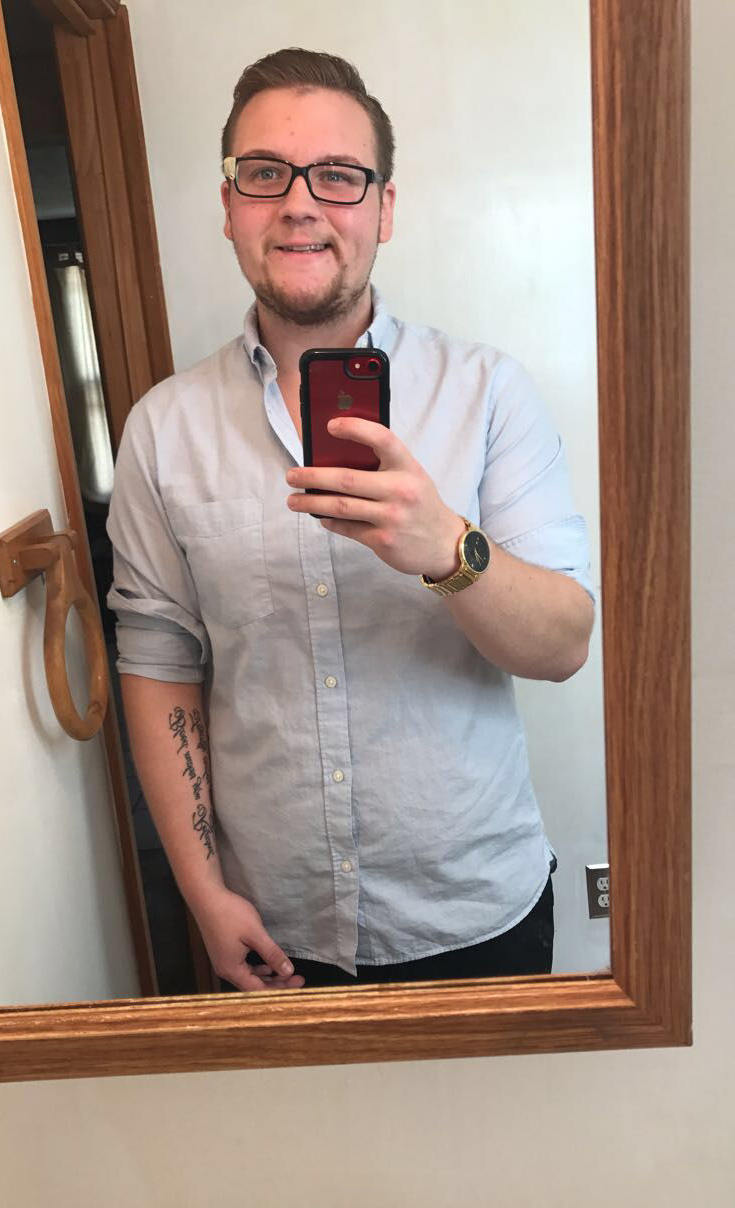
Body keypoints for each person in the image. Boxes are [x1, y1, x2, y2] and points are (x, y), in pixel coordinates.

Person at [106, 47, 596, 993]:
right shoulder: (162, 431)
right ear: (229, 205)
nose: (300, 204)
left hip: (474, 912)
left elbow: (564, 645)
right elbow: (160, 664)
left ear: (384, 207)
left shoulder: (490, 392)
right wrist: (204, 896)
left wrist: (449, 551)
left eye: (338, 175)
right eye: (265, 173)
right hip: (271, 924)